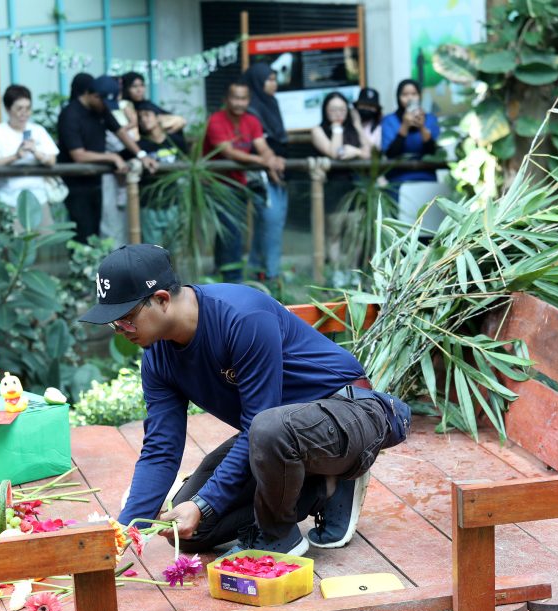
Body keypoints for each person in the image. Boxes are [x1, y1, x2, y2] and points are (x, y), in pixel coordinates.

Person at [78, 244, 412, 556]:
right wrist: (125, 529)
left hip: (350, 413)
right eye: (112, 323)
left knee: (263, 432)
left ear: (162, 299)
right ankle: (323, 487)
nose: (120, 329)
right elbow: (161, 448)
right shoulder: (157, 357)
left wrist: (207, 501)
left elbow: (259, 421)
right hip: (280, 436)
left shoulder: (241, 317)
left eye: (125, 318)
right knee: (191, 532)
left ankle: (279, 534)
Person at [57, 74, 158, 243]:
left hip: (96, 181)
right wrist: (112, 157)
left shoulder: (102, 109)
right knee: (83, 231)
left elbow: (120, 132)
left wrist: (142, 155)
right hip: (75, 184)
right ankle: (81, 268)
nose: (106, 107)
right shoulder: (70, 115)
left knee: (95, 231)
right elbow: (78, 154)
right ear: (93, 95)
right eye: (103, 102)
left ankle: (93, 266)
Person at [203, 78, 285, 282]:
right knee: (232, 229)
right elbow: (228, 152)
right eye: (235, 98)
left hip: (240, 183)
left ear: (248, 100)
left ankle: (222, 270)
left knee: (229, 228)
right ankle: (234, 278)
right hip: (217, 184)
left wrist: (271, 158)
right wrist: (262, 160)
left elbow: (262, 145)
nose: (239, 103)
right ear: (226, 99)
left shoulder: (252, 121)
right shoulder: (216, 120)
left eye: (243, 99)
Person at [311, 91, 371, 267]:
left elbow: (369, 153)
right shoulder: (319, 130)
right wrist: (337, 128)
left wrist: (357, 146)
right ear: (325, 110)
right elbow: (334, 152)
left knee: (355, 235)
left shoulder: (353, 130)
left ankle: (352, 274)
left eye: (342, 109)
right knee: (334, 234)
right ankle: (337, 275)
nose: (338, 113)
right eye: (333, 109)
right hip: (332, 188)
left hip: (355, 188)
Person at [0, 84, 59, 219]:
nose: (24, 113)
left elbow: (52, 160)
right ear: (7, 109)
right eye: (19, 109)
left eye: (28, 108)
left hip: (38, 198)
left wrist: (36, 152)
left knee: (47, 238)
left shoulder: (38, 130)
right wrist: (15, 156)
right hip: (8, 200)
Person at [243, 63, 289, 281]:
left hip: (278, 173)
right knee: (269, 222)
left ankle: (259, 270)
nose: (274, 83)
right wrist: (269, 161)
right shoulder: (251, 109)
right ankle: (270, 274)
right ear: (258, 82)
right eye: (269, 79)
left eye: (274, 78)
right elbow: (254, 143)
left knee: (272, 223)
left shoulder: (271, 103)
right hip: (260, 175)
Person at [136, 101, 187, 245]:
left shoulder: (175, 140)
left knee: (174, 248)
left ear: (158, 117)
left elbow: (187, 159)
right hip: (149, 203)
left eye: (147, 115)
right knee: (153, 250)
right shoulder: (140, 146)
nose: (144, 120)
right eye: (140, 117)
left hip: (173, 202)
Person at [381, 79, 440, 190]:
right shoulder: (389, 120)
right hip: (397, 181)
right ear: (398, 97)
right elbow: (391, 154)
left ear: (419, 96)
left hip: (427, 179)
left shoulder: (431, 119)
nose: (410, 98)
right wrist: (404, 125)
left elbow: (433, 152)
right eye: (405, 94)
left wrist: (422, 127)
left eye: (414, 94)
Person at [121, 71, 186, 134]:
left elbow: (169, 116)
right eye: (134, 86)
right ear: (126, 88)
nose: (139, 90)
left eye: (142, 85)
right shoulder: (125, 106)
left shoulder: (146, 104)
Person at [354, 87, 383, 151]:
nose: (366, 109)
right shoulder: (348, 123)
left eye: (371, 106)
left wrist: (358, 126)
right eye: (364, 105)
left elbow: (375, 152)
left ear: (376, 110)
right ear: (357, 106)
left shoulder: (379, 127)